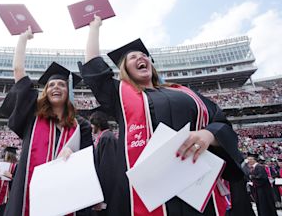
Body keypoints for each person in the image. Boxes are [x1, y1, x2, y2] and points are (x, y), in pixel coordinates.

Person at [78, 15, 253, 216]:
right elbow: (93, 68)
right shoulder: (120, 94)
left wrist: (208, 135)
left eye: (143, 56)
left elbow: (219, 121)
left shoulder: (185, 92)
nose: (140, 58)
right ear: (124, 69)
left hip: (195, 184)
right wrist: (94, 27)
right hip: (147, 189)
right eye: (132, 58)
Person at [0, 26, 92, 216]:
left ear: (68, 92)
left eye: (61, 84)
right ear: (46, 91)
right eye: (51, 85)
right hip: (28, 192)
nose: (56, 88)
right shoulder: (32, 116)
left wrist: (72, 151)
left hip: (65, 194)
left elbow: (87, 162)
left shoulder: (79, 125)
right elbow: (19, 72)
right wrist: (23, 39)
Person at [89, 110, 117, 215]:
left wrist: (102, 198)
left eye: (92, 124)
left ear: (97, 124)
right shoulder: (103, 137)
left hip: (105, 195)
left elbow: (108, 170)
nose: (91, 127)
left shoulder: (107, 138)